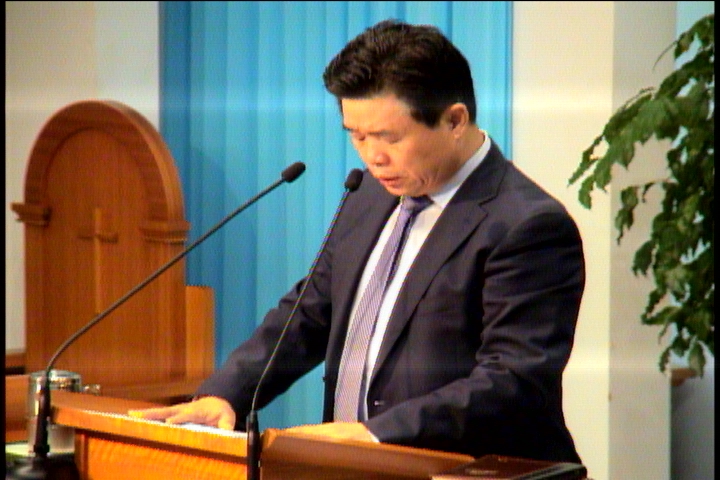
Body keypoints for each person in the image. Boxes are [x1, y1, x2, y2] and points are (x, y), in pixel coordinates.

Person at [131, 19, 585, 463]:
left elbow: (514, 381)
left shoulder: (528, 225)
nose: (373, 156)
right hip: (355, 469)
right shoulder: (369, 192)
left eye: (389, 137)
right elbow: (310, 311)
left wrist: (375, 433)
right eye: (357, 135)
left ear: (454, 120)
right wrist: (227, 393)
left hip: (468, 470)